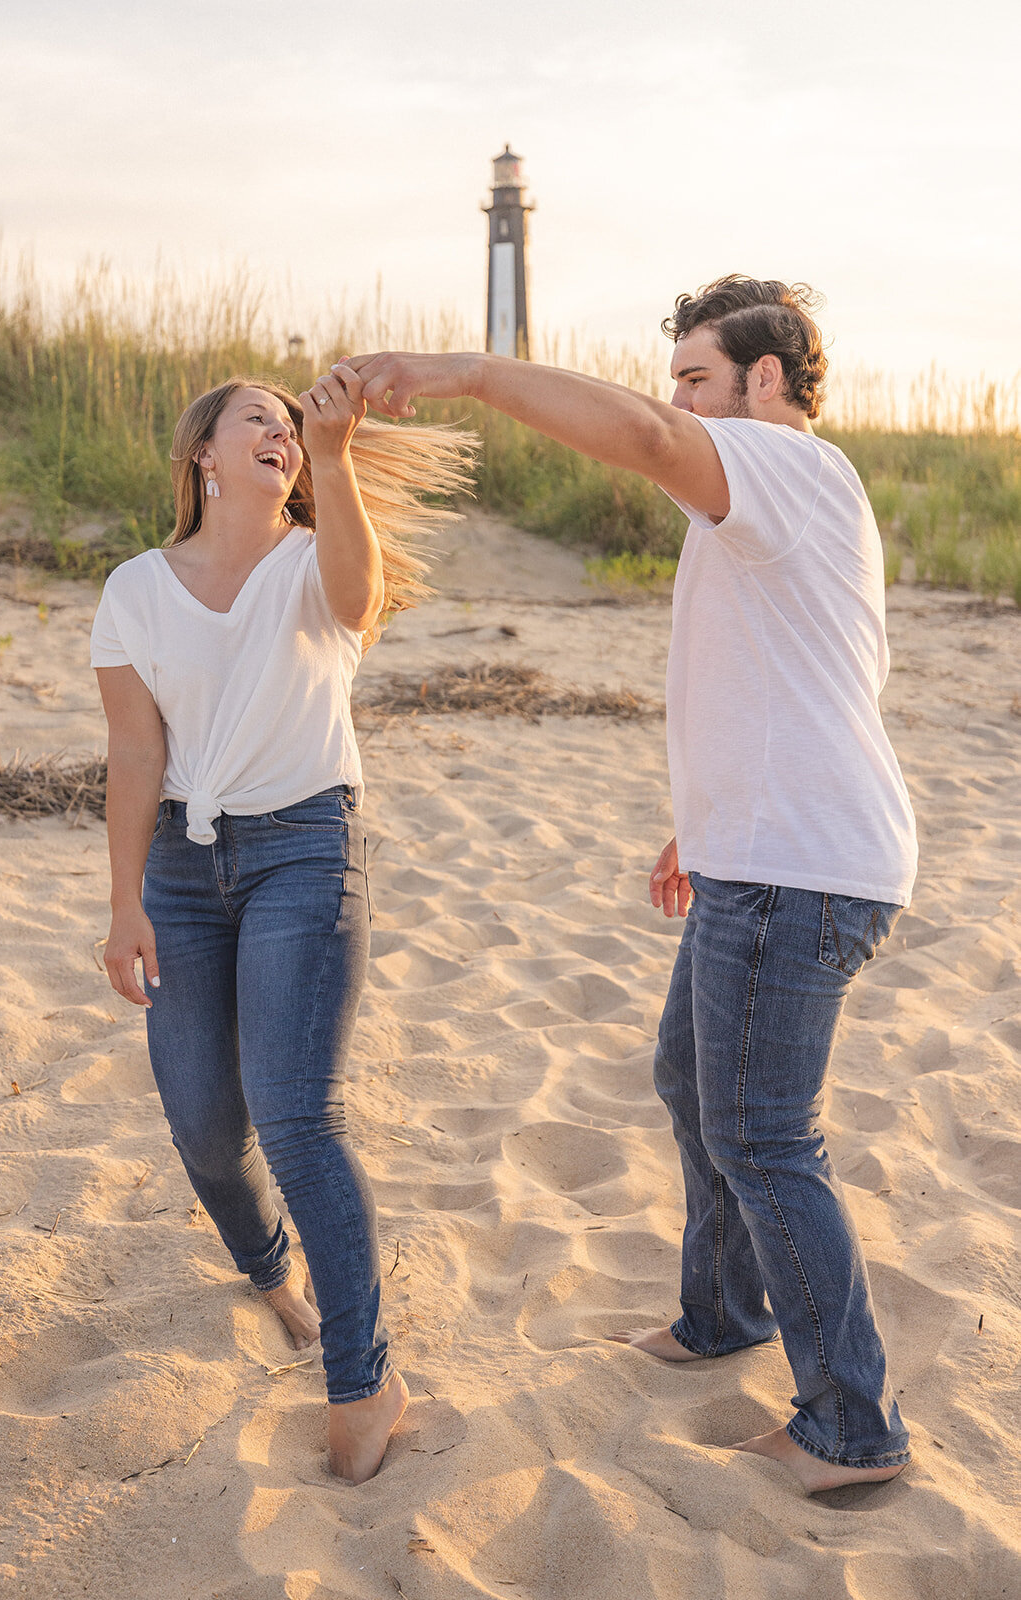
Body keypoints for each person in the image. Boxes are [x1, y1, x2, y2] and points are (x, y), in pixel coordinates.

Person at [347, 275, 919, 1495]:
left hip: (797, 868)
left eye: (697, 378)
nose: (678, 405)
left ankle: (847, 1424)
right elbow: (787, 680)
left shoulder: (782, 465)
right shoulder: (773, 500)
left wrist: (466, 373)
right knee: (688, 1080)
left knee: (764, 1136)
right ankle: (719, 1316)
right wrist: (700, 826)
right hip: (755, 851)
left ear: (765, 381)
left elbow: (649, 441)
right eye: (675, 382)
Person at [91, 368, 472, 1484]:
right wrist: (123, 904)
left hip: (307, 847)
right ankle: (267, 1272)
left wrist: (338, 451)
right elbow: (133, 753)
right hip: (179, 867)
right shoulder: (134, 588)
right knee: (207, 1125)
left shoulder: (317, 559)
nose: (279, 434)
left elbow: (359, 602)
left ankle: (362, 1375)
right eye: (254, 418)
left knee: (298, 1118)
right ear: (201, 453)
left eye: (287, 426)